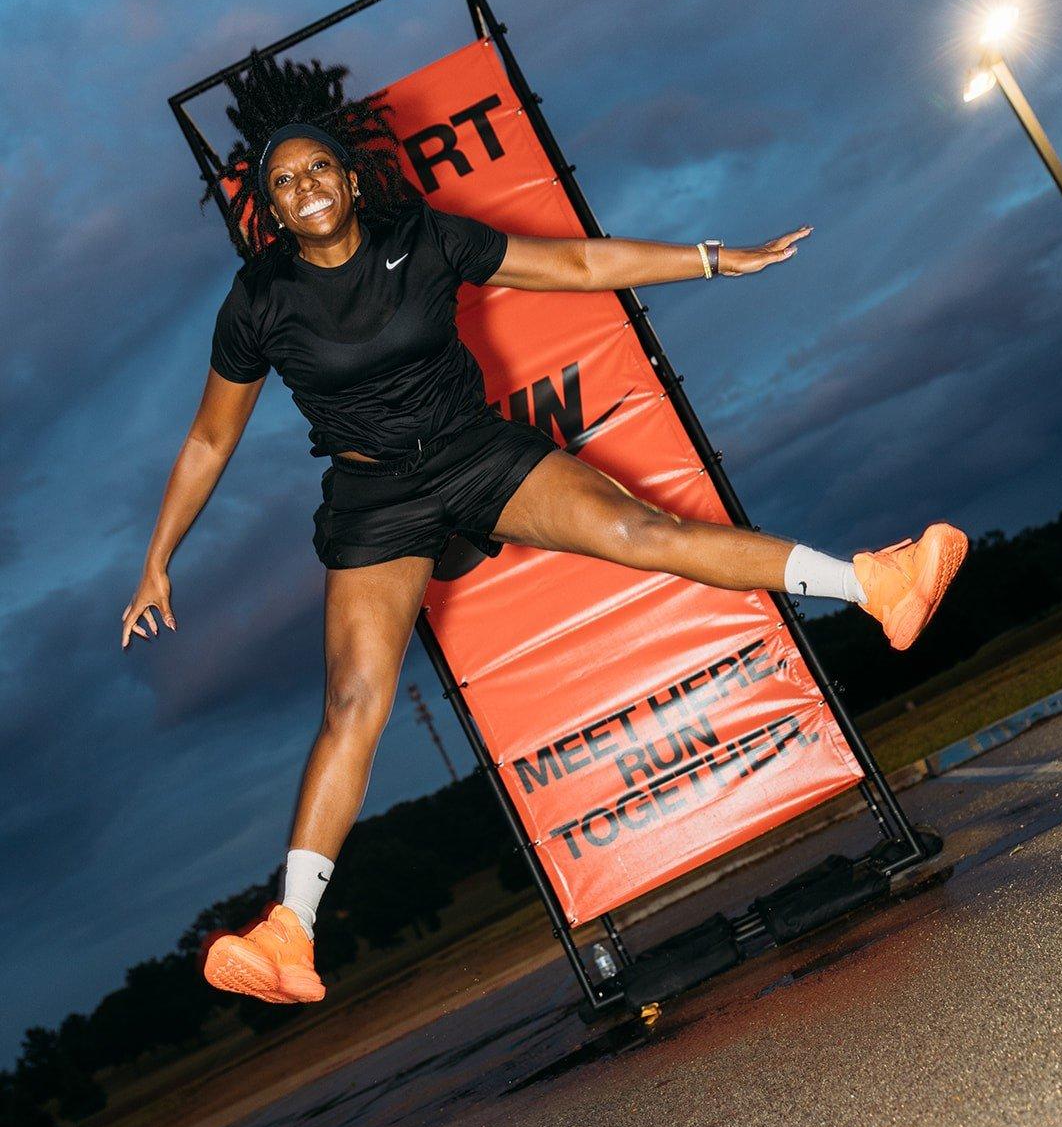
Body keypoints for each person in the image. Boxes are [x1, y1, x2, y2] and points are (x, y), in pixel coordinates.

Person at [121, 51, 967, 1006]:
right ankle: (290, 934)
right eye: (283, 181)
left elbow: (570, 263)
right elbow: (206, 439)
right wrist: (157, 562)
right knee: (354, 700)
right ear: (269, 210)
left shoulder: (423, 238)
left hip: (475, 453)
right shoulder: (260, 303)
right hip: (373, 501)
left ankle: (875, 585)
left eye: (317, 168)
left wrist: (711, 258)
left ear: (351, 179)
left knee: (643, 529)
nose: (304, 187)